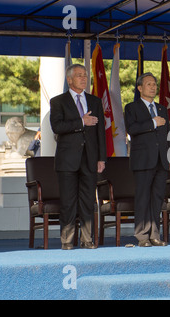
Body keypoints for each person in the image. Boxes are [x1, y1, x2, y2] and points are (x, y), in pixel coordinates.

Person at [50, 64, 106, 250]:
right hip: (68, 159)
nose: (84, 78)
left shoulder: (95, 101)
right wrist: (82, 121)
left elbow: (100, 133)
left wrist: (101, 158)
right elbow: (58, 127)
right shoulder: (58, 101)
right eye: (79, 75)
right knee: (68, 201)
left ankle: (87, 239)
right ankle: (67, 240)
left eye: (85, 75)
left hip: (89, 158)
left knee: (88, 200)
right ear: (69, 79)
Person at [124, 72, 170, 247]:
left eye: (154, 84)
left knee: (157, 198)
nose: (153, 87)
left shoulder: (162, 109)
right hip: (143, 160)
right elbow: (132, 129)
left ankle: (154, 235)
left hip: (161, 160)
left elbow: (167, 135)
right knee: (143, 197)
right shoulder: (132, 107)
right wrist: (152, 123)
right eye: (149, 84)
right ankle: (142, 236)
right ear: (140, 88)